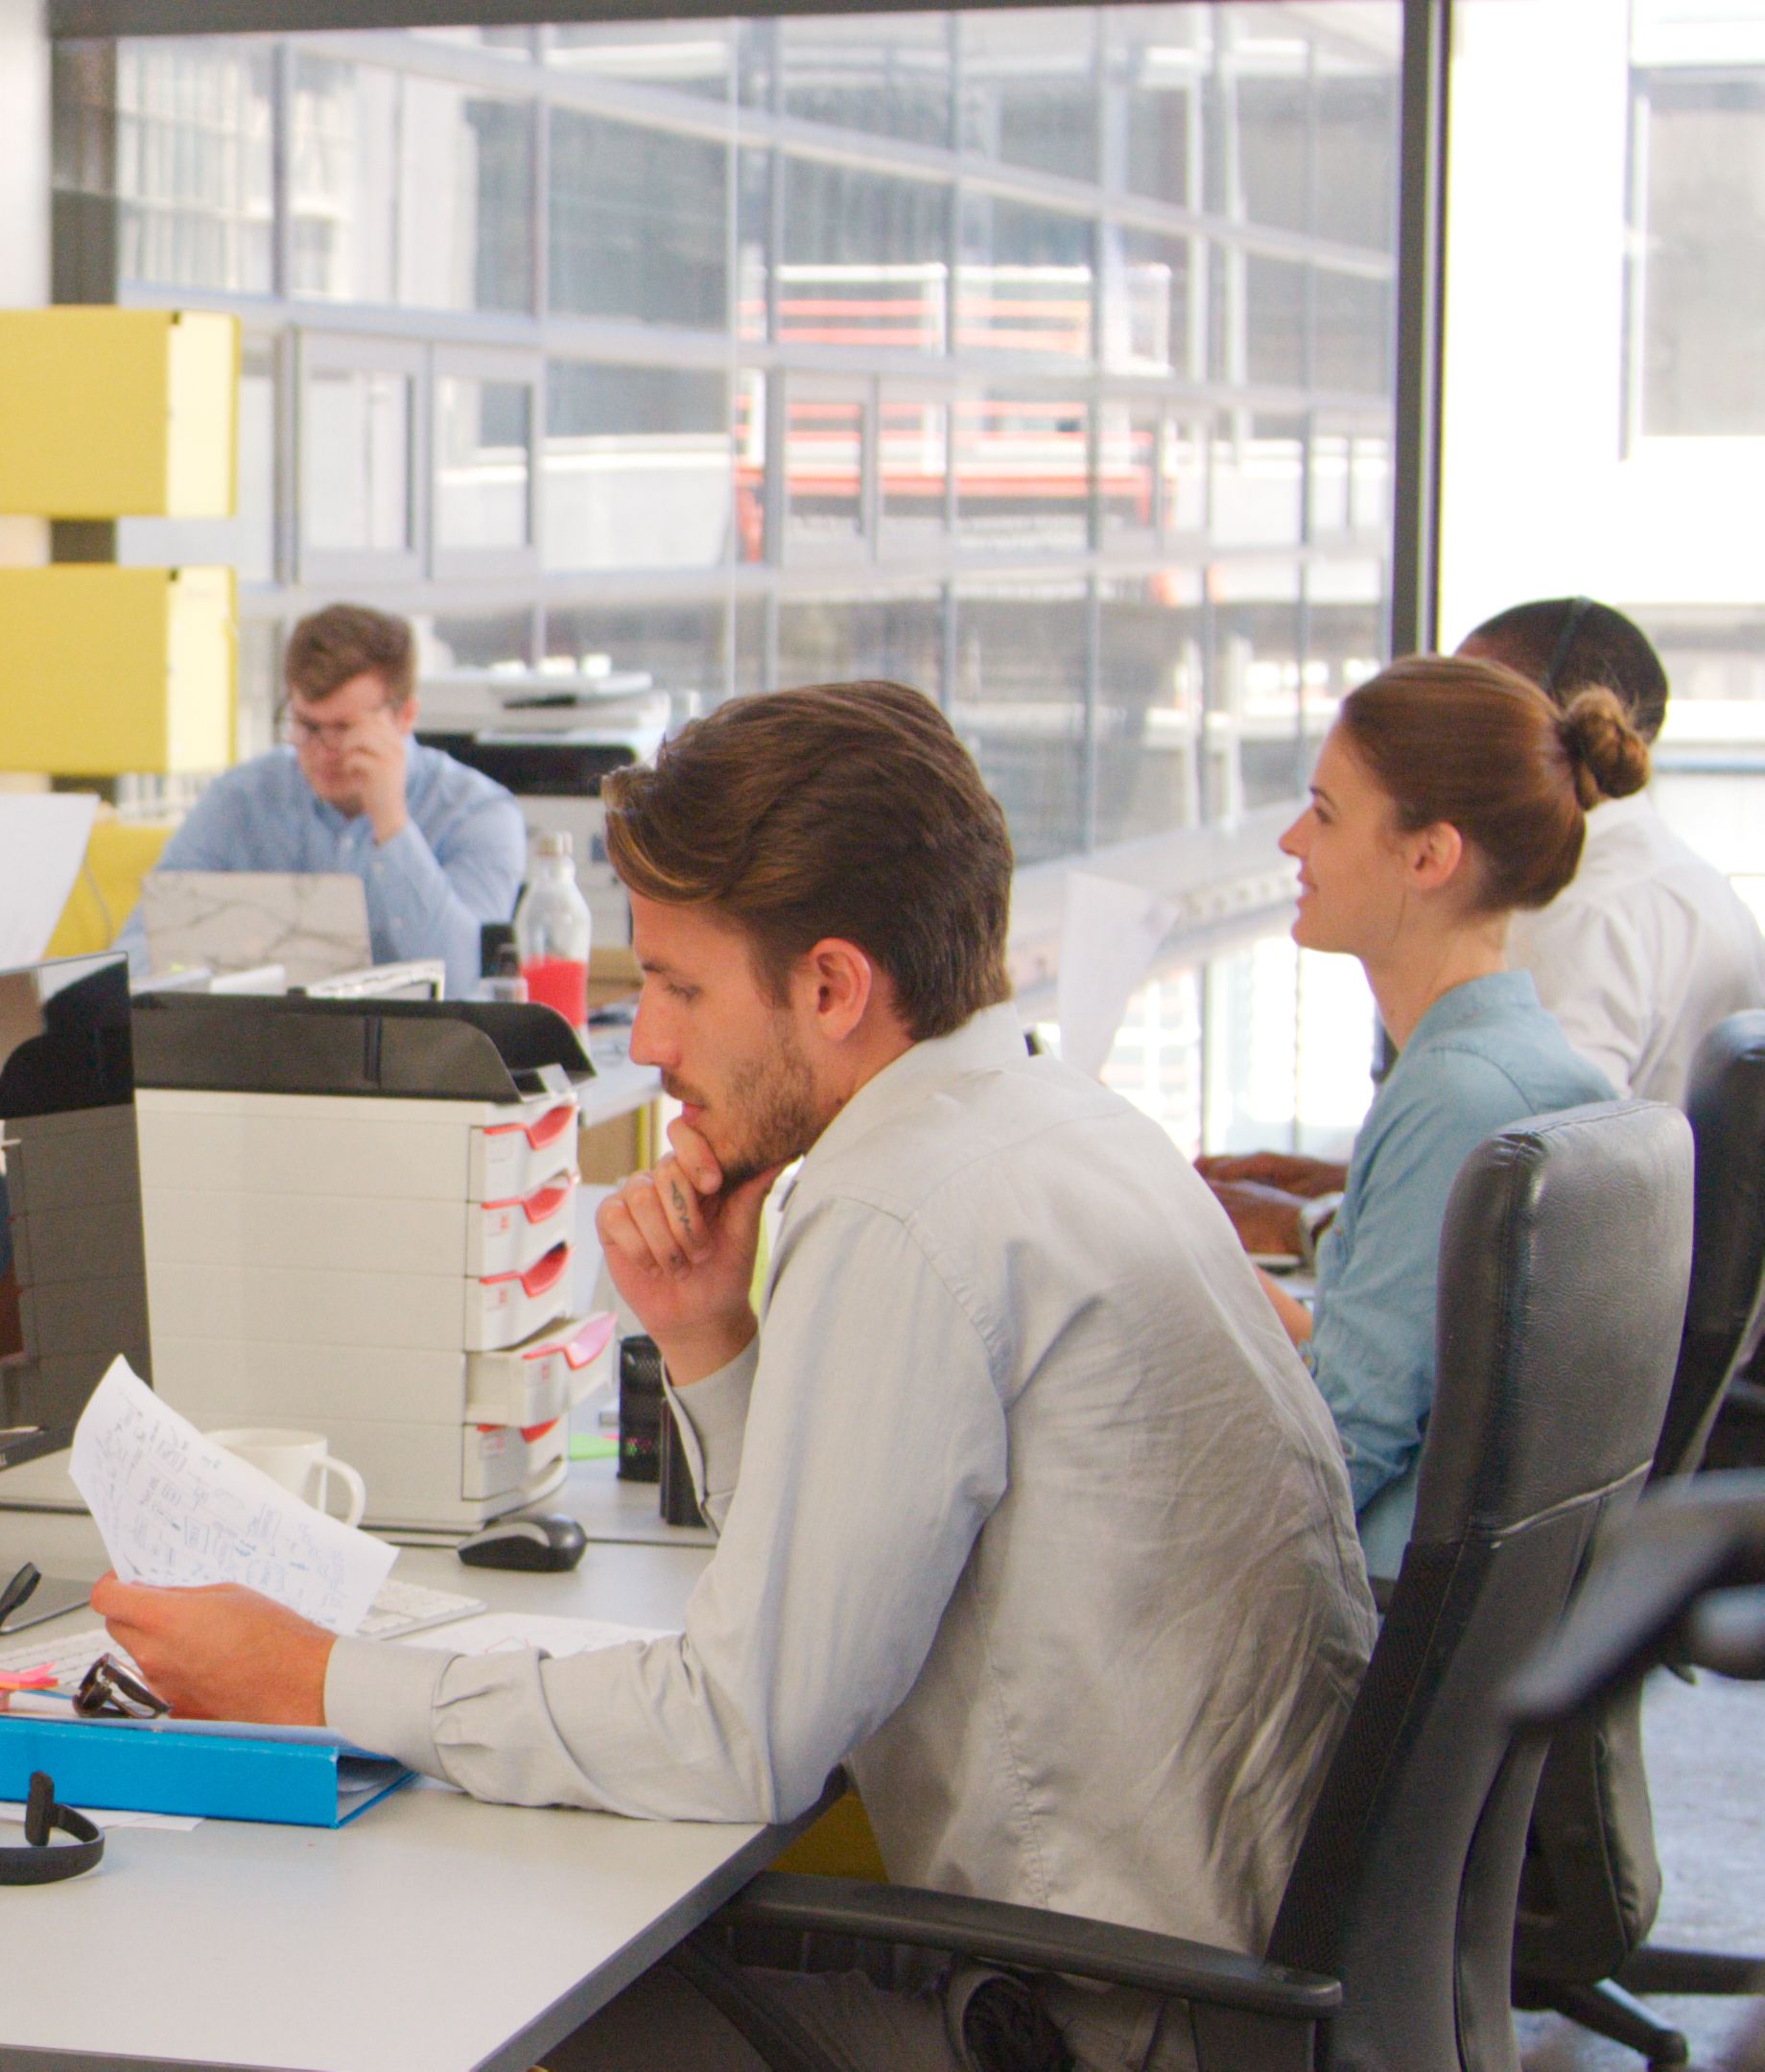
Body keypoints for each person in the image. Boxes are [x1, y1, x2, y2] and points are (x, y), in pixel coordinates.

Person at [95, 679, 1374, 2072]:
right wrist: (709, 1337)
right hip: (1207, 1976)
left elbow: (740, 1733)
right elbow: (830, 1597)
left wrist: (318, 1678)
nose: (644, 1045)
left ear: (831, 986)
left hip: (1082, 2018)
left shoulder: (901, 1207)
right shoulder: (1047, 1121)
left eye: (682, 990)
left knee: (442, 2012)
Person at [1205, 656, 1632, 1571]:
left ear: (1429, 856)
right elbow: (1419, 1372)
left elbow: (1336, 1450)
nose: (1292, 841)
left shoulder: (1454, 1098)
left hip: (1359, 1613)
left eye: (1324, 813)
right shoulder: (1522, 1065)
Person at [112, 604, 525, 994]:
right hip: (261, 1048)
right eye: (306, 726)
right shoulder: (240, 800)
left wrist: (392, 824)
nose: (324, 750)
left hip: (413, 1059)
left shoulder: (477, 814)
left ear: (405, 716)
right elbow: (144, 942)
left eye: (346, 729)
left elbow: (462, 981)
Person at [1468, 599, 1764, 1107]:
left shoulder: (1578, 910)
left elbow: (1550, 1163)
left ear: (1532, 717)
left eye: (1461, 702)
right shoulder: (1683, 876)